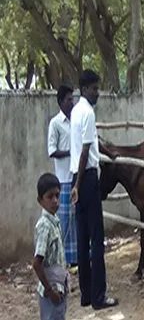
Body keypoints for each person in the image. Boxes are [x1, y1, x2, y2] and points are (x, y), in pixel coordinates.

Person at [70, 69, 118, 310]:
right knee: (96, 239)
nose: (98, 92)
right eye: (95, 88)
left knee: (82, 238)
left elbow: (91, 142)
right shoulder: (88, 113)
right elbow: (85, 151)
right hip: (86, 178)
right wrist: (79, 184)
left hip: (76, 177)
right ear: (84, 89)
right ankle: (99, 296)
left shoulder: (75, 111)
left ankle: (86, 294)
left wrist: (109, 152)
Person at [33, 173, 69, 320]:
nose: (55, 201)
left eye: (57, 196)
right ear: (40, 200)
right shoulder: (45, 225)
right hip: (51, 291)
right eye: (50, 197)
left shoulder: (54, 221)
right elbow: (37, 262)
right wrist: (49, 290)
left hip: (56, 286)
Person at [48, 85, 77, 267]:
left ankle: (76, 257)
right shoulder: (56, 123)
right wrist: (70, 152)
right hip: (64, 178)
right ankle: (64, 258)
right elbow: (52, 150)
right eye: (68, 100)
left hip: (76, 177)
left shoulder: (76, 120)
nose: (71, 103)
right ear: (60, 102)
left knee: (76, 219)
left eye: (72, 99)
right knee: (65, 221)